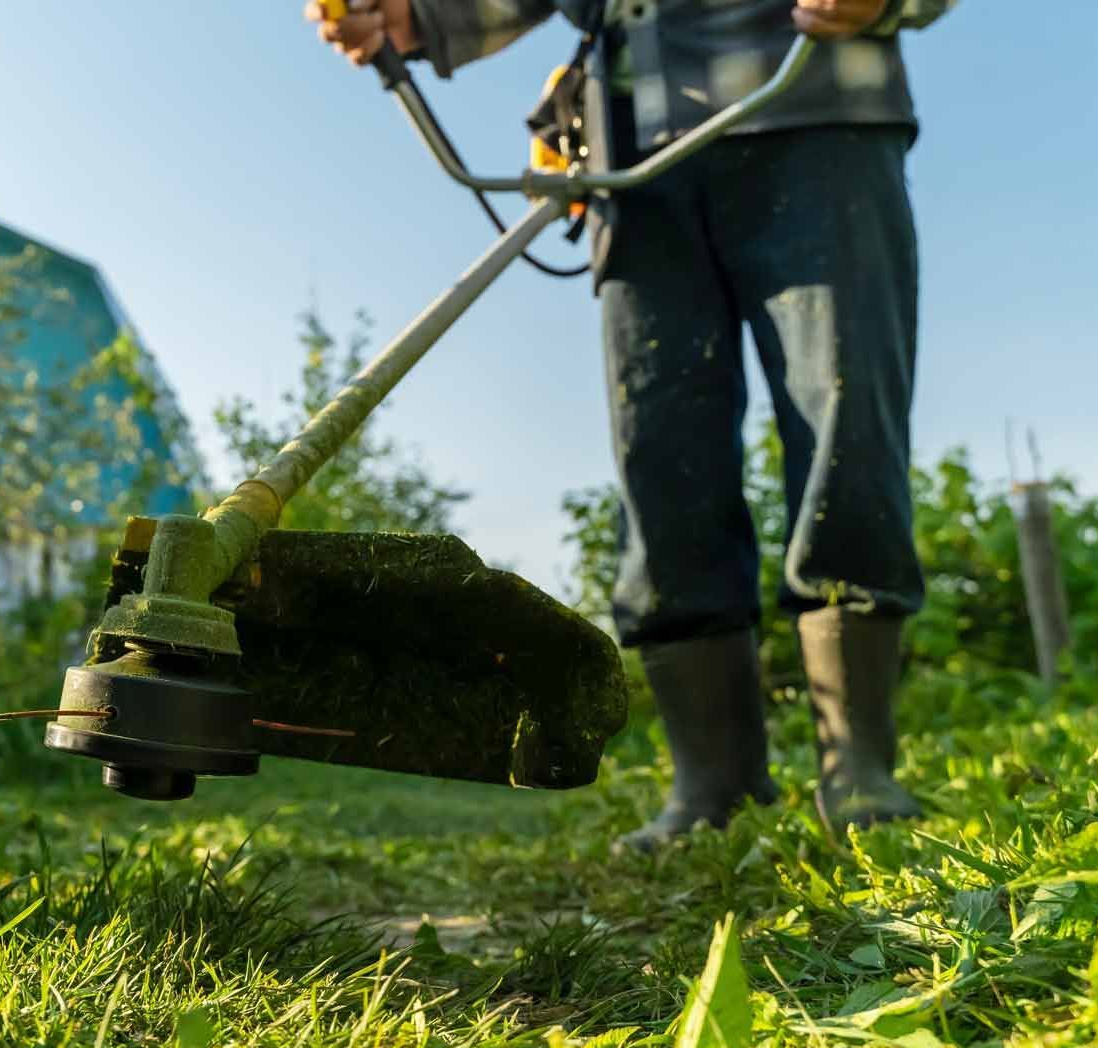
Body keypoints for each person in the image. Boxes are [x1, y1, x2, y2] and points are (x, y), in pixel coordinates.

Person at [303, 0, 958, 850]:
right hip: (633, 158)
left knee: (845, 423)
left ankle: (859, 768)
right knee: (661, 455)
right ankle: (711, 785)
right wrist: (412, 17)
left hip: (814, 107)